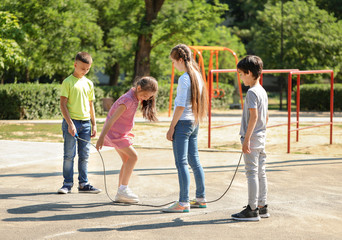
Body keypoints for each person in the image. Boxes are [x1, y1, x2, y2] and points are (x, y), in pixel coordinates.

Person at [96, 76, 158, 203]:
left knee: (126, 160)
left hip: (120, 134)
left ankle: (121, 192)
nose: (146, 98)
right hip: (115, 135)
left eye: (149, 97)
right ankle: (123, 189)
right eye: (145, 95)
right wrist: (101, 137)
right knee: (133, 157)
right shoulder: (128, 100)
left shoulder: (133, 97)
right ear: (139, 88)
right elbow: (111, 119)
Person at [162, 44, 207, 213]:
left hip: (182, 123)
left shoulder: (184, 78)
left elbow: (180, 106)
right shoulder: (197, 75)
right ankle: (201, 198)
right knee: (194, 160)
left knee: (181, 163)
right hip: (194, 122)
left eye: (174, 62)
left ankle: (183, 202)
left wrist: (171, 127)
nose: (174, 65)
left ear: (180, 60)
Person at [231, 55, 270, 221]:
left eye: (241, 74)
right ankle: (262, 206)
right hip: (261, 137)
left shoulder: (252, 93)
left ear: (249, 73)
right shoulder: (262, 90)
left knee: (251, 173)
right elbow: (265, 117)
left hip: (252, 138)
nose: (240, 77)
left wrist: (246, 140)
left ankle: (252, 209)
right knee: (261, 172)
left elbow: (253, 117)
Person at [58, 52, 101, 194]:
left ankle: (83, 183)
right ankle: (67, 184)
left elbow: (90, 105)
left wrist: (94, 124)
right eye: (82, 68)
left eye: (87, 69)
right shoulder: (67, 82)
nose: (85, 71)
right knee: (69, 155)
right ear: (75, 64)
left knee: (85, 155)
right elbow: (63, 105)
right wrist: (70, 123)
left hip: (86, 123)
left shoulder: (89, 83)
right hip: (72, 122)